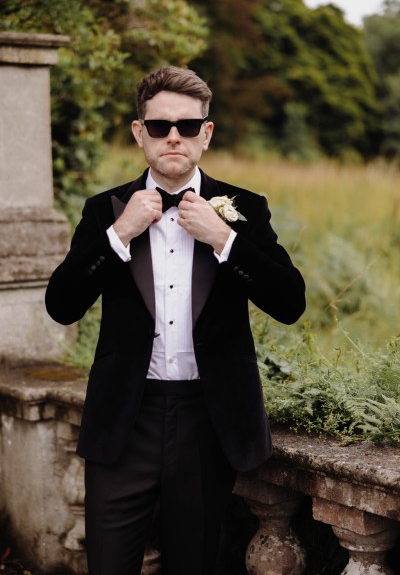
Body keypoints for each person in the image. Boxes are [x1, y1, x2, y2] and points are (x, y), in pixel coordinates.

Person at [45, 66, 306, 575]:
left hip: (207, 421)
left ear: (206, 134)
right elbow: (61, 305)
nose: (173, 137)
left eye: (187, 126)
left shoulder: (244, 208)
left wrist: (223, 239)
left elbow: (290, 303)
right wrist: (120, 234)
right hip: (124, 418)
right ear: (139, 133)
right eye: (160, 125)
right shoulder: (105, 210)